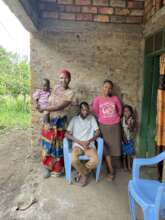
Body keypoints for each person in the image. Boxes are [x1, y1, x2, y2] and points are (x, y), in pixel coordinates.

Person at [37, 69, 74, 178]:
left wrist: (43, 108)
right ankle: (46, 168)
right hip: (49, 120)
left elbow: (59, 107)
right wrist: (46, 118)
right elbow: (50, 103)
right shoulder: (56, 88)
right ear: (59, 79)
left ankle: (57, 168)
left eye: (66, 78)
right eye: (61, 78)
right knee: (47, 145)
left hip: (60, 123)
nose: (63, 80)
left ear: (70, 79)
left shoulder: (70, 93)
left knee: (58, 146)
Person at [92, 80, 122, 181]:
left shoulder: (115, 98)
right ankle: (111, 171)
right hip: (103, 127)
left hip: (115, 127)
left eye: (109, 87)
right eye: (105, 87)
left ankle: (112, 170)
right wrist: (103, 118)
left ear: (111, 89)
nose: (107, 89)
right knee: (105, 149)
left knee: (114, 148)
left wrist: (115, 118)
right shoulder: (97, 99)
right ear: (102, 87)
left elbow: (120, 110)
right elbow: (96, 111)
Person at [65, 102, 100, 187]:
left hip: (89, 145)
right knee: (73, 160)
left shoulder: (91, 118)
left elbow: (98, 132)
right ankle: (84, 174)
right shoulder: (74, 120)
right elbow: (66, 134)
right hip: (77, 145)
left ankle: (81, 173)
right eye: (83, 109)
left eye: (87, 110)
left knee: (95, 160)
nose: (85, 112)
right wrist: (80, 142)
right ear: (80, 110)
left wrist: (89, 140)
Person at [121, 105, 136, 171]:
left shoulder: (132, 120)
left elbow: (132, 130)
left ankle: (129, 166)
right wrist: (123, 138)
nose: (126, 113)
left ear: (131, 112)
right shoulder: (122, 120)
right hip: (123, 140)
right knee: (124, 154)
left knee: (129, 154)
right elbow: (120, 129)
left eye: (128, 111)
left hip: (129, 139)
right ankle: (124, 166)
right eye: (125, 111)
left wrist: (130, 125)